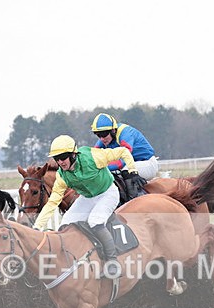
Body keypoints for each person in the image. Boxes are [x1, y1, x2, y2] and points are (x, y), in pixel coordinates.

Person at [33, 134, 141, 278]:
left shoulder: (93, 157)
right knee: (65, 224)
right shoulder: (62, 176)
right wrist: (37, 226)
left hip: (108, 193)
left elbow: (123, 152)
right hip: (88, 198)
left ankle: (112, 262)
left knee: (95, 221)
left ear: (73, 154)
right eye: (57, 158)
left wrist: (132, 170)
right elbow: (53, 202)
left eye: (63, 157)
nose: (60, 162)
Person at [91, 112, 159, 193]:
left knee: (126, 170)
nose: (101, 139)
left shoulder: (125, 134)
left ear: (113, 131)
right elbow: (93, 156)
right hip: (133, 164)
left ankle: (136, 199)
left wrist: (102, 168)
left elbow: (123, 161)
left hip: (147, 164)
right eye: (98, 135)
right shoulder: (105, 139)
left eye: (104, 134)